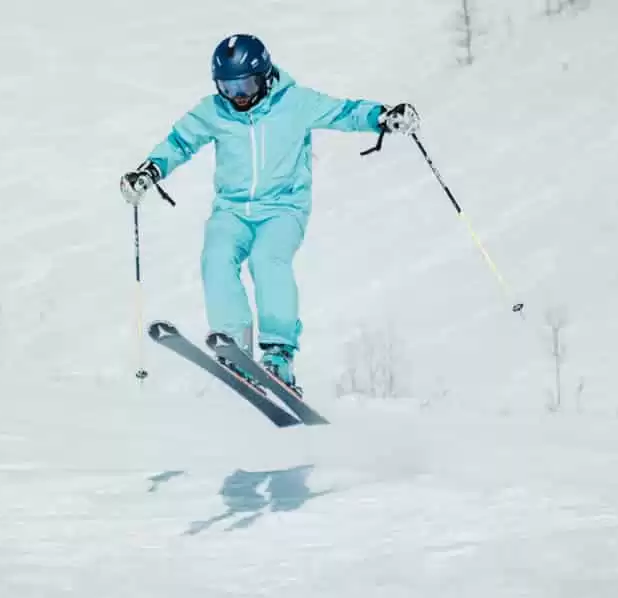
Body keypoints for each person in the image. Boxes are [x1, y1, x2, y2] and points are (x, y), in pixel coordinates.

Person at [120, 33, 419, 395]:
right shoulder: (214, 110)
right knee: (216, 257)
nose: (238, 96)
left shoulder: (295, 103)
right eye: (227, 88)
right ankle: (234, 345)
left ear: (264, 76)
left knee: (267, 260)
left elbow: (344, 112)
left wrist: (382, 117)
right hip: (232, 210)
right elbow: (181, 141)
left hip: (283, 209)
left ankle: (279, 355)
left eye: (245, 85)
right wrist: (150, 170)